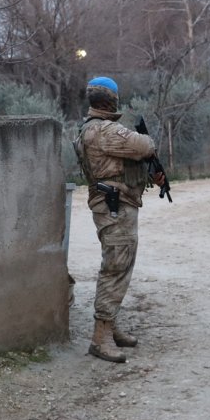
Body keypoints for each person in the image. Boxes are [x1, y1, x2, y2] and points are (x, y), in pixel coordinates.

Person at [74, 76, 165, 363]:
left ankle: (110, 328)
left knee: (121, 265)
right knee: (115, 267)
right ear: (112, 99)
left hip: (117, 204)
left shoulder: (92, 128)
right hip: (114, 206)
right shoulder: (103, 130)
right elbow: (145, 146)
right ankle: (100, 338)